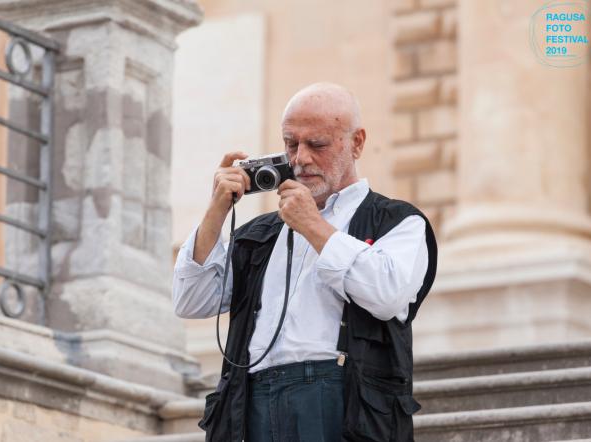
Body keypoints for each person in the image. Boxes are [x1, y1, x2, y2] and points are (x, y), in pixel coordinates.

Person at [172, 82, 437, 442]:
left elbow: (388, 295)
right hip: (252, 398)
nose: (300, 159)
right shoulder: (261, 234)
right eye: (290, 143)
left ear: (357, 142)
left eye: (318, 144)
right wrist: (216, 210)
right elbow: (191, 299)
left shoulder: (398, 221)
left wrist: (312, 224)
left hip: (339, 399)